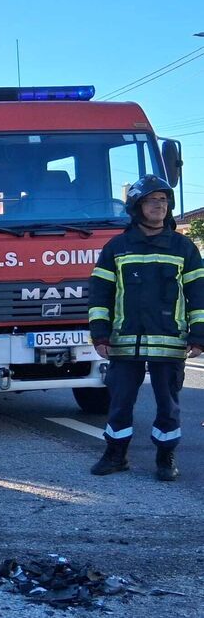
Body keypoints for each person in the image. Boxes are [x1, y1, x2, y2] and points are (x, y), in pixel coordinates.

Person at [88, 175, 204, 481]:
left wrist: (199, 335)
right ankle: (115, 455)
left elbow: (199, 295)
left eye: (164, 200)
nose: (160, 206)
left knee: (169, 406)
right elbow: (101, 294)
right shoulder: (117, 247)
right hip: (124, 341)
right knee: (120, 401)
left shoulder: (183, 247)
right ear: (137, 206)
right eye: (153, 200)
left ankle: (166, 459)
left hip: (170, 341)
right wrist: (99, 333)